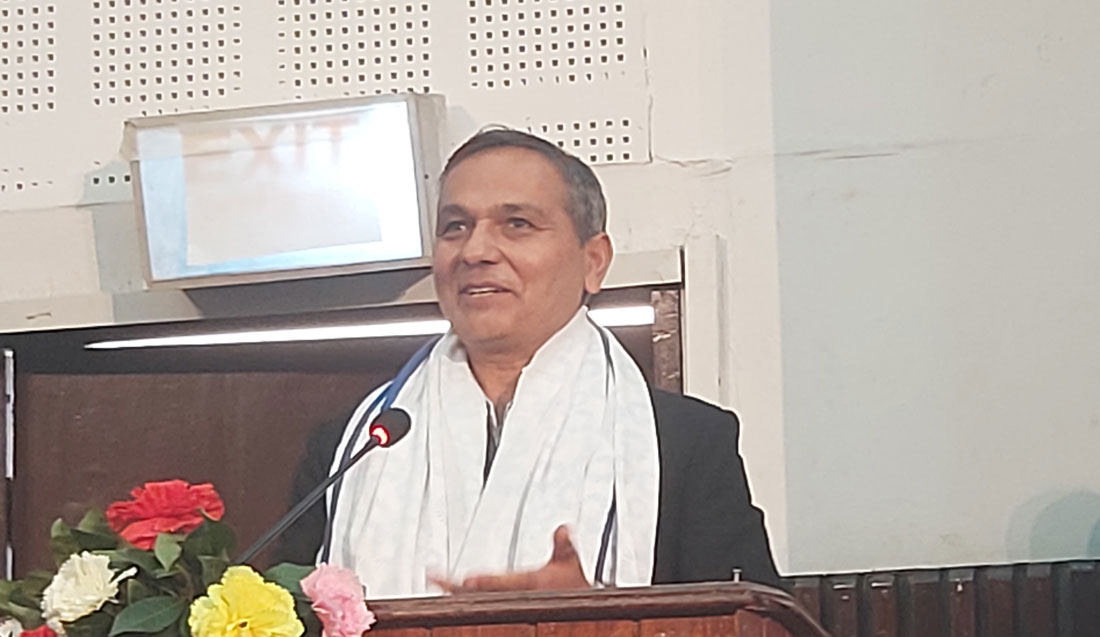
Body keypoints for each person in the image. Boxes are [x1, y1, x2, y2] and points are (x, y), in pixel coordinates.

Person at [275, 129, 781, 597]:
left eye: (517, 224)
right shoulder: (353, 447)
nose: (475, 250)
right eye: (455, 227)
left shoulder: (685, 444)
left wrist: (595, 617)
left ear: (593, 261)